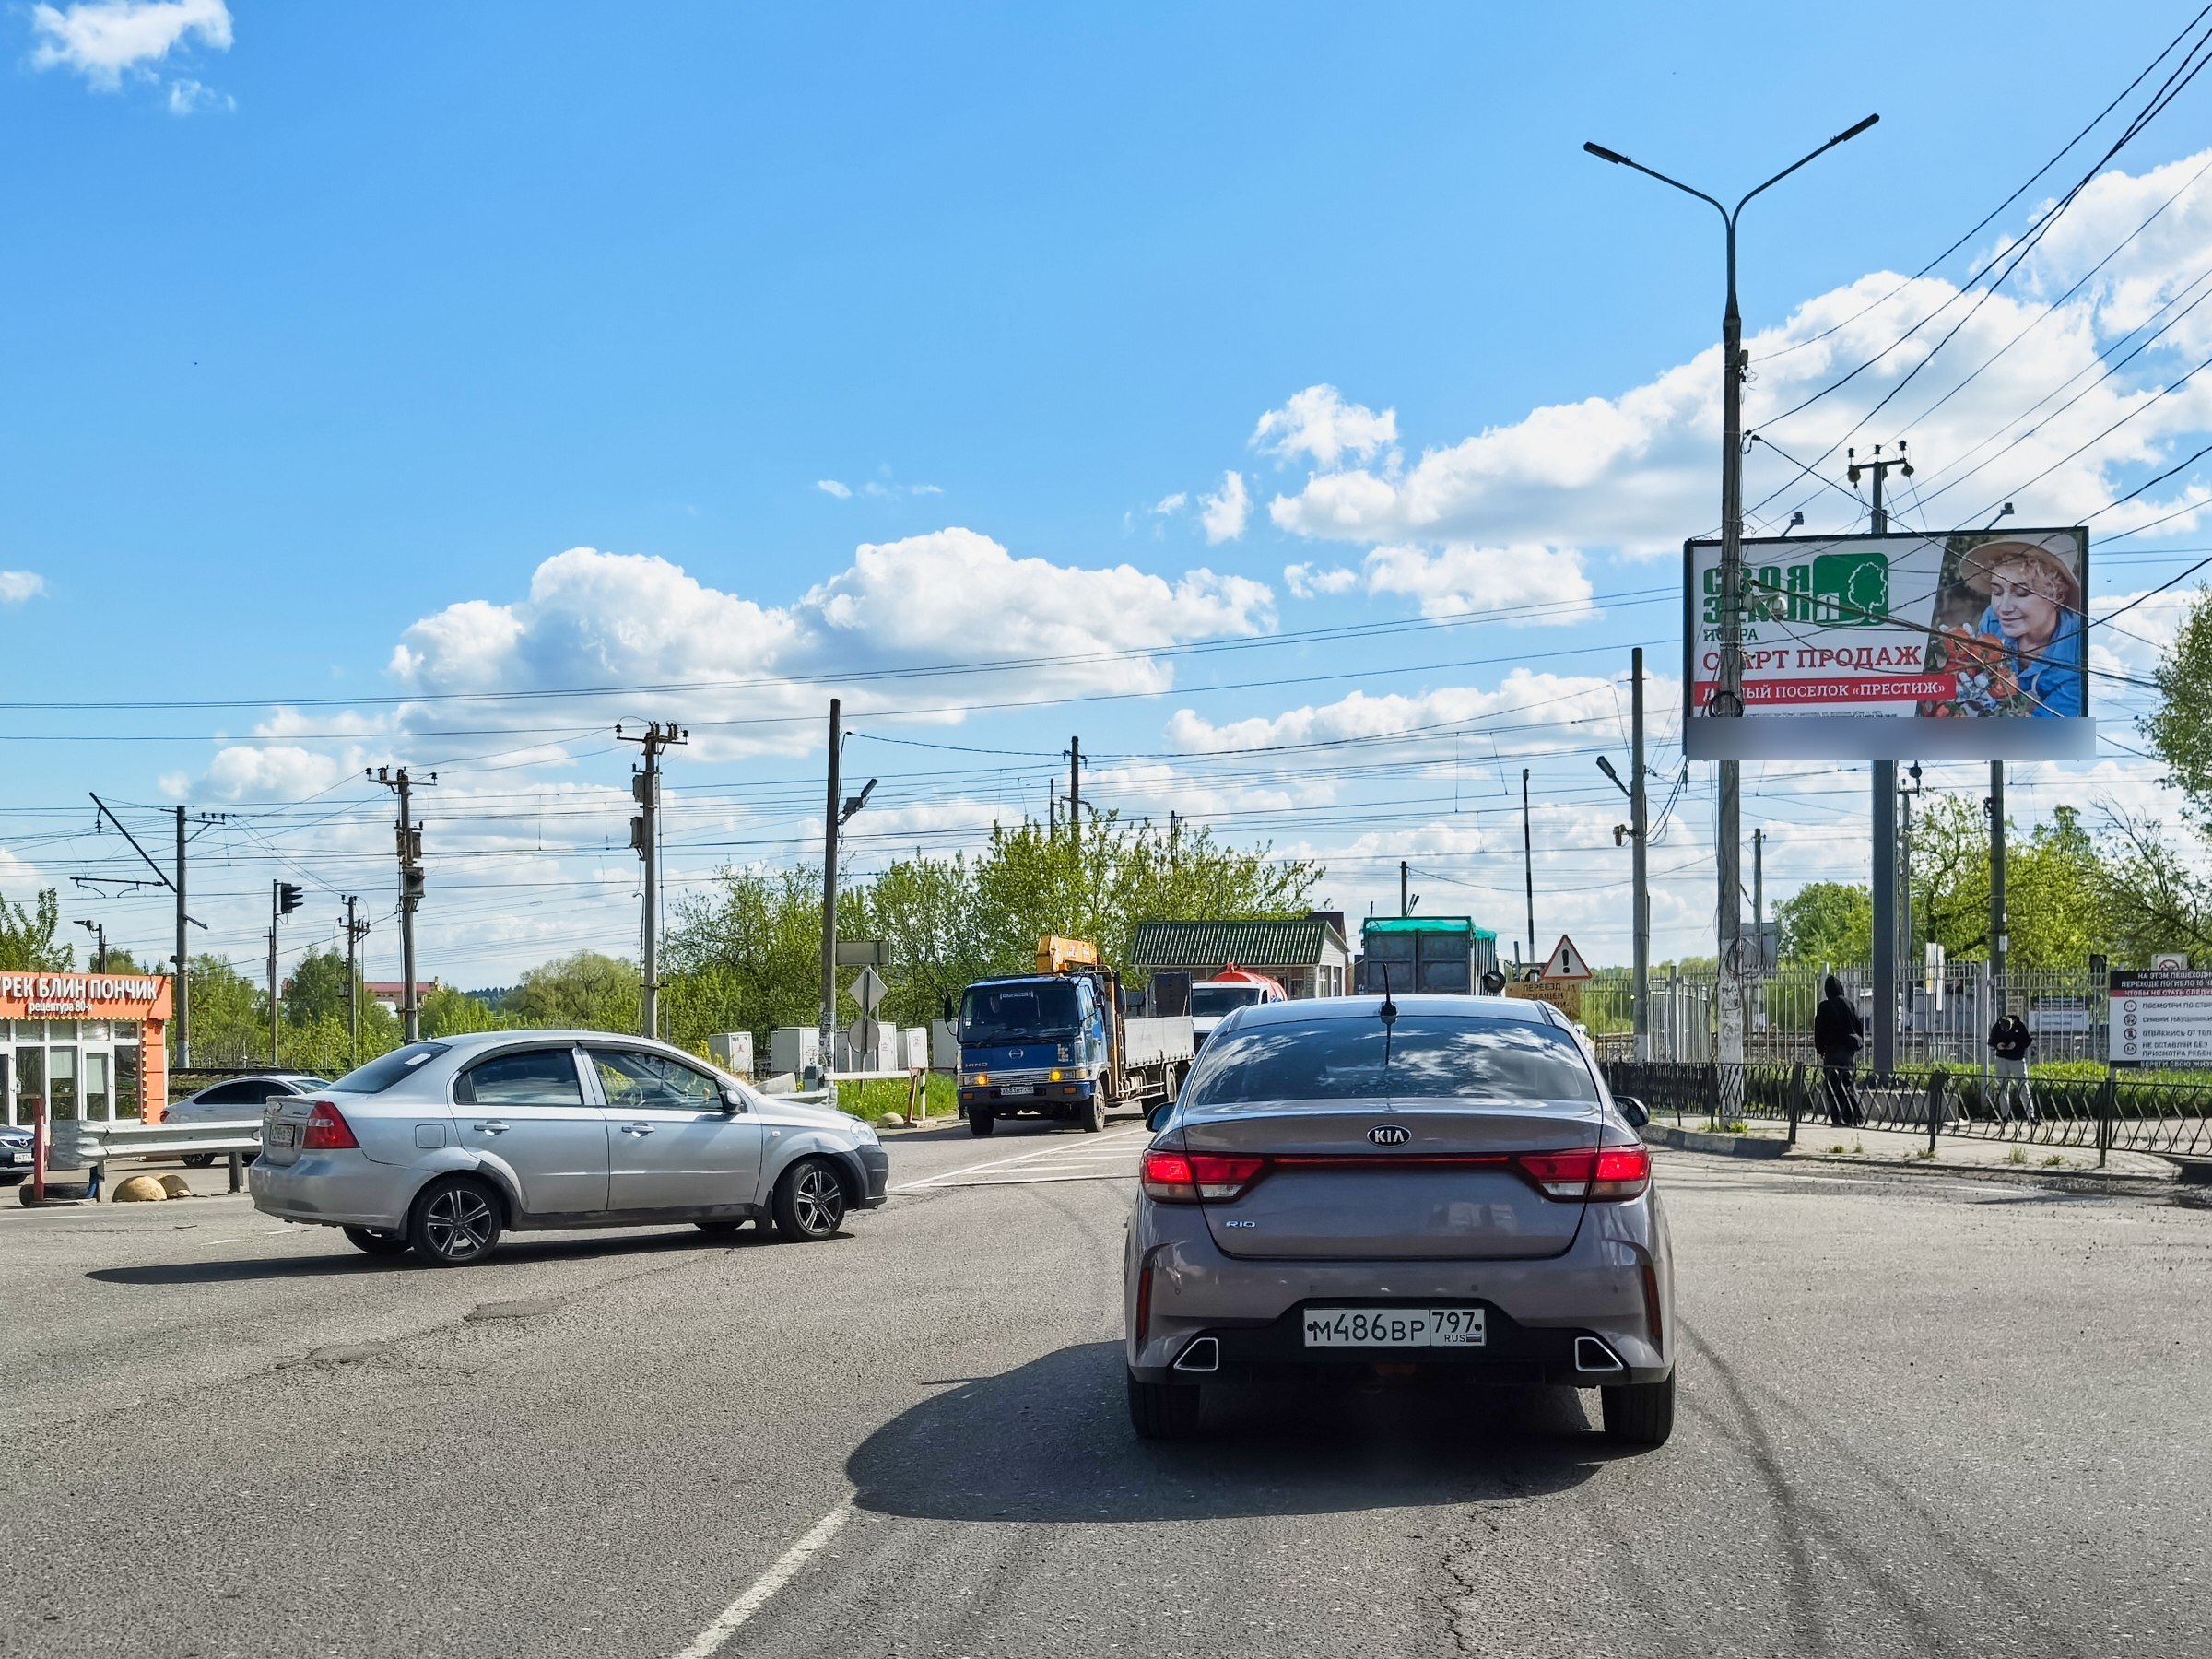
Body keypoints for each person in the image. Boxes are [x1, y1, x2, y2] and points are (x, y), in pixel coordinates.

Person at [1960, 538, 2085, 719]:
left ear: (2057, 596)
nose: (2004, 608)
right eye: (1997, 592)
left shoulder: (2077, 654)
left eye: (2021, 593)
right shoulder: (1992, 621)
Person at [1813, 974, 1863, 1127]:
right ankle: (1856, 1117)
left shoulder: (1824, 1007)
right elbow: (1858, 1026)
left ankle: (1838, 1118)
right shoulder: (1849, 1004)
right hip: (1848, 1052)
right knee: (1848, 1083)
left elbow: (1819, 1030)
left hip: (1832, 1052)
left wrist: (1820, 1049)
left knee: (1833, 1086)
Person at [1988, 1006, 2037, 1126]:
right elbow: (1991, 1041)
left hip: (2017, 1060)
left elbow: (2027, 1041)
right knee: (2002, 1088)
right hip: (2001, 1059)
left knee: (2023, 1087)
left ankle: (2031, 1116)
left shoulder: (2020, 1026)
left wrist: (2016, 1044)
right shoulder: (1998, 1026)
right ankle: (2005, 1116)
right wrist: (1997, 1045)